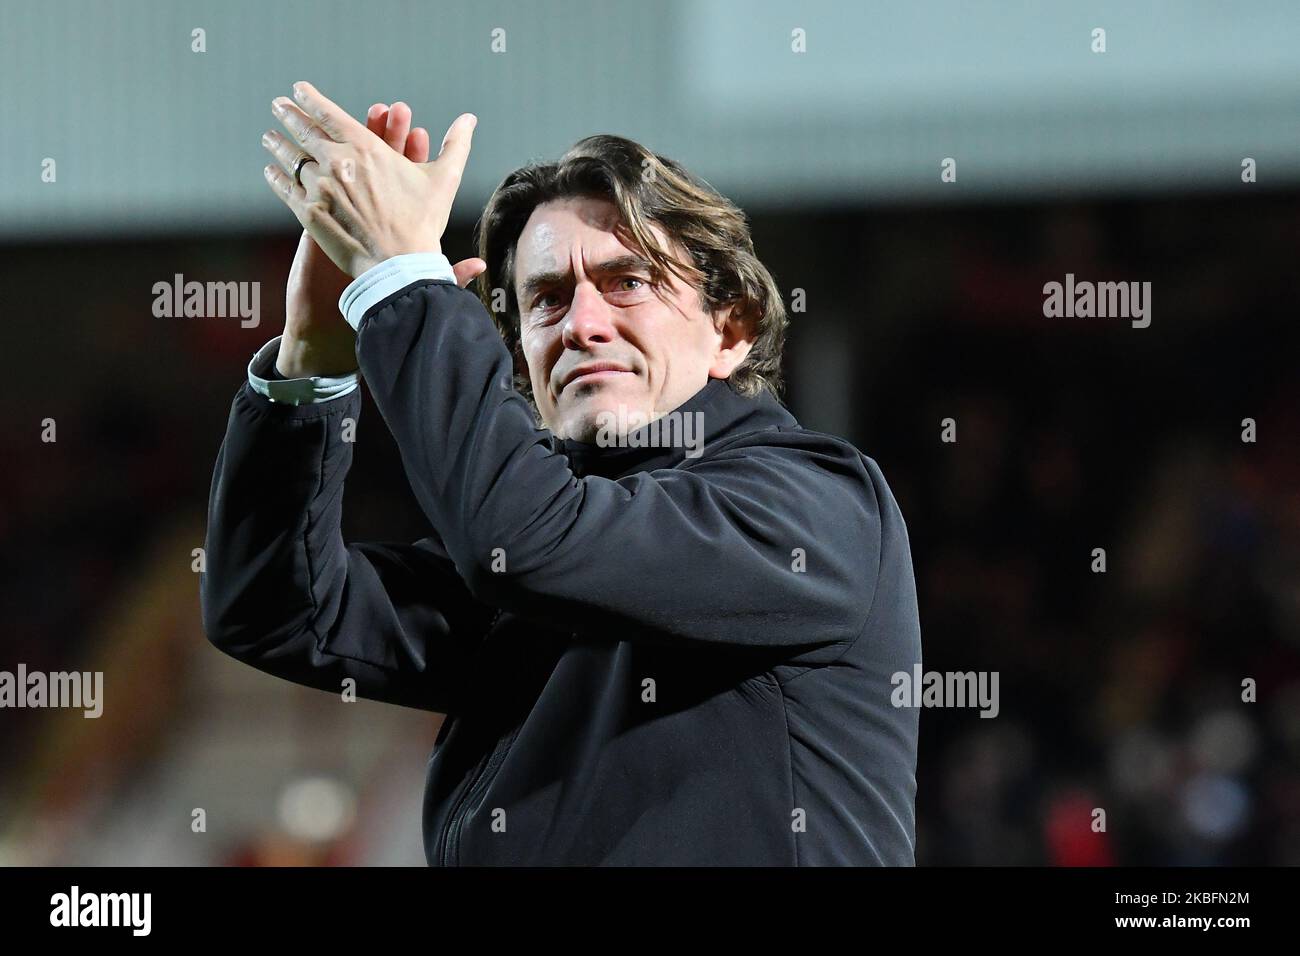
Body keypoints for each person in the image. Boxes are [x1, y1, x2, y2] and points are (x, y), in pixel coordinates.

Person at [200, 82, 922, 865]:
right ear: (521, 363)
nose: (581, 324)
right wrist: (312, 361)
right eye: (545, 299)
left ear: (732, 330)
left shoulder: (817, 505)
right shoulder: (542, 554)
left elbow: (527, 538)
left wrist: (403, 281)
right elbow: (280, 610)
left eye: (627, 282)